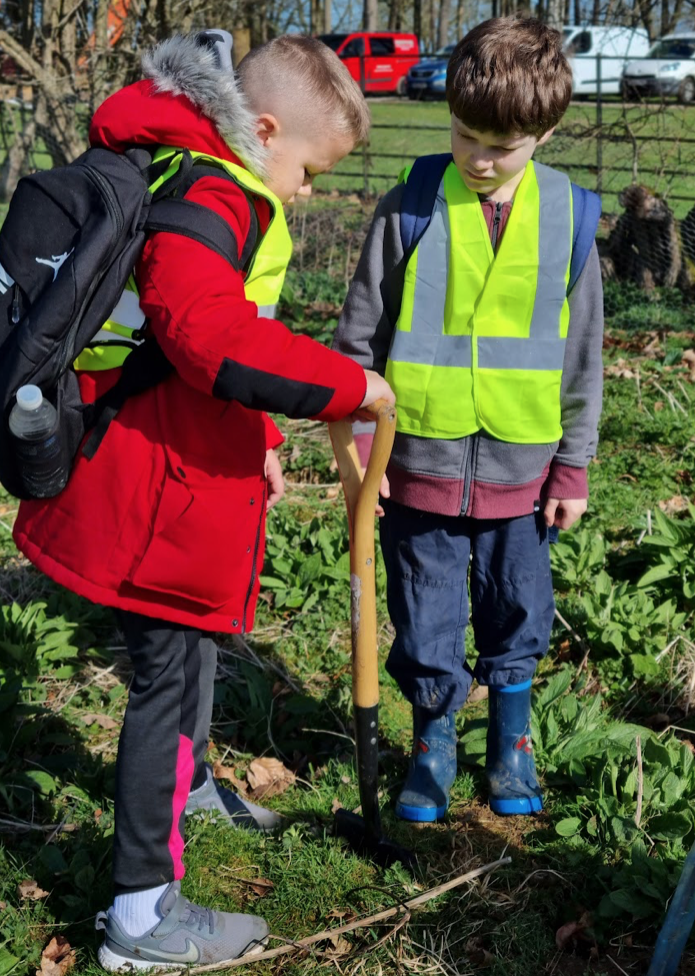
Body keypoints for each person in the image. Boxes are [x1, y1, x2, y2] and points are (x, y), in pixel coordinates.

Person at [12, 30, 394, 971]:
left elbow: (219, 333)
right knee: (168, 675)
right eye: (309, 167)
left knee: (190, 657)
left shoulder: (192, 164)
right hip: (156, 489)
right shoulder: (217, 189)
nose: (308, 190)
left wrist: (261, 440)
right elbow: (200, 330)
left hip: (174, 465)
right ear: (262, 130)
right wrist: (352, 386)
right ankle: (142, 917)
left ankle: (183, 795)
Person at [332, 18, 603, 824]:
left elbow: (583, 355)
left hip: (525, 475)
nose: (480, 159)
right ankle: (433, 743)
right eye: (465, 136)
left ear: (545, 132)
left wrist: (574, 464)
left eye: (502, 146)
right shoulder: (410, 204)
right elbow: (358, 340)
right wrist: (358, 454)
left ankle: (511, 743)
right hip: (415, 464)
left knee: (517, 605)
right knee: (425, 610)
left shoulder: (573, 217)